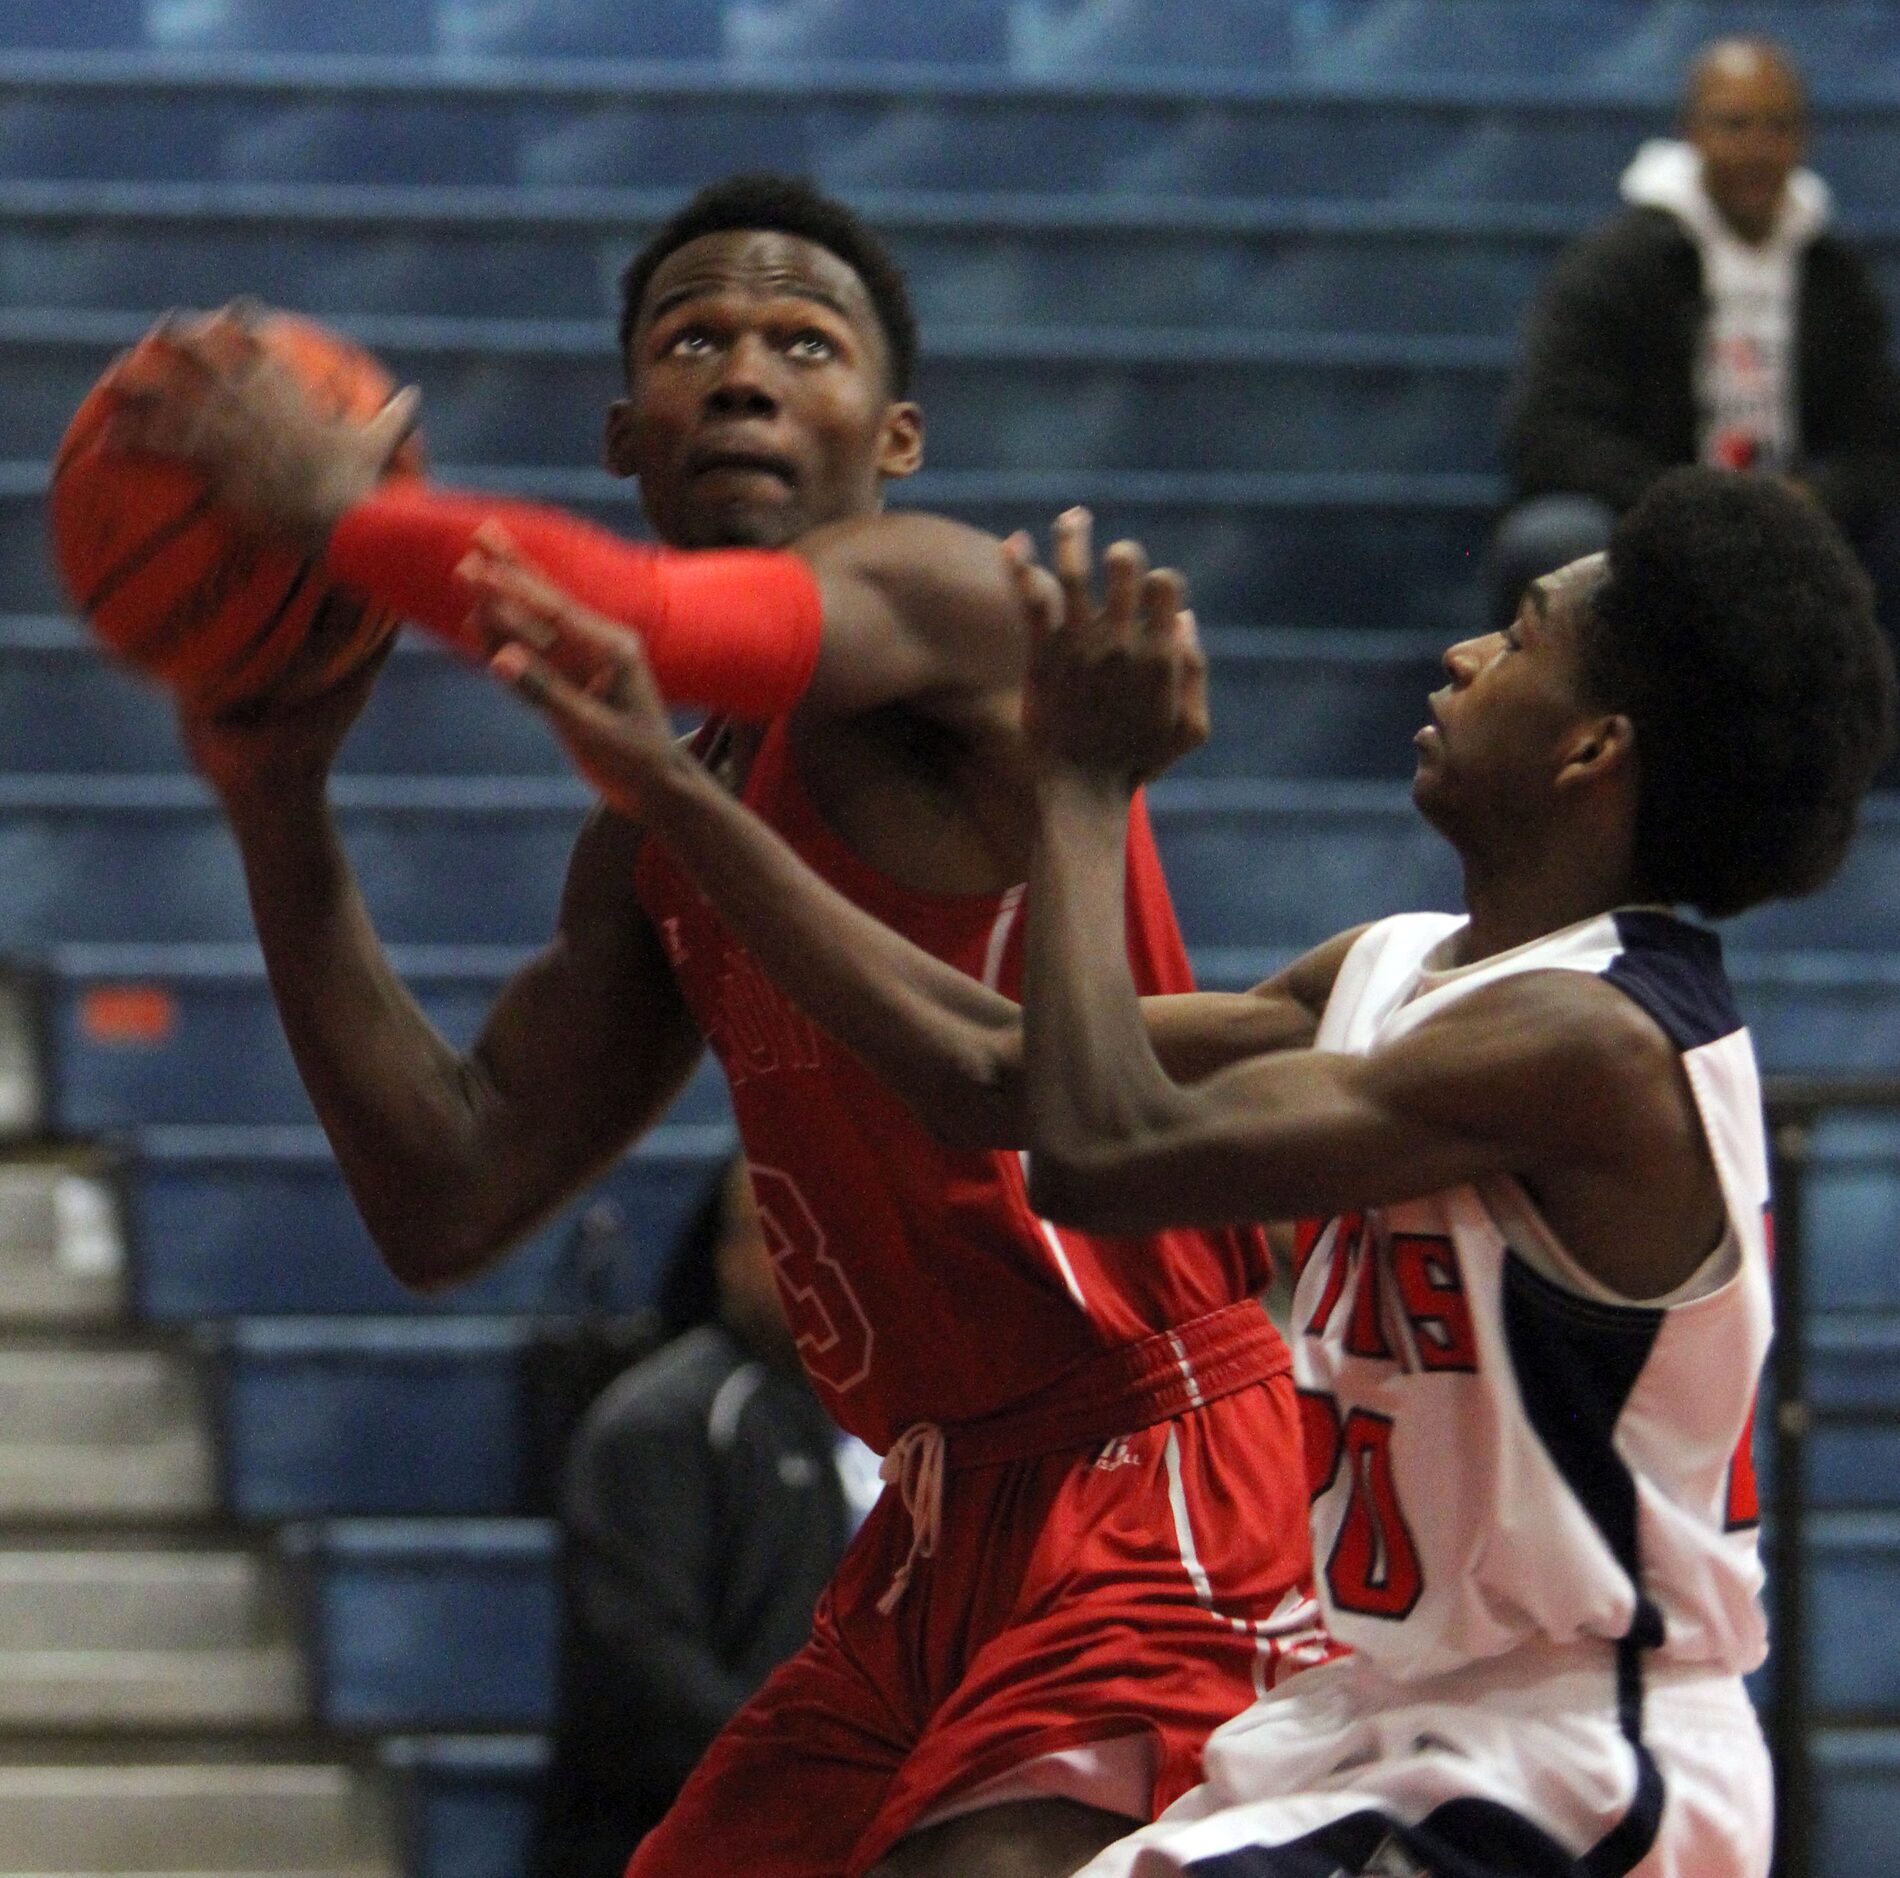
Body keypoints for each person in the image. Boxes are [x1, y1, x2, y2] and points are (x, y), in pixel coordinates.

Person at [114, 174, 1329, 1878]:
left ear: (893, 435)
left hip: (1160, 1457)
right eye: (696, 341)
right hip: (936, 1516)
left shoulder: (953, 602)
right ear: (625, 433)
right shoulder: (662, 818)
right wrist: (276, 802)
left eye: (802, 343)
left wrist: (345, 514)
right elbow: (447, 1193)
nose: (746, 373)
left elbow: (659, 620)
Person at [461, 465, 1893, 1877]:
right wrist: (684, 800)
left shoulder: (1596, 1038)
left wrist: (1079, 785)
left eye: (1517, 638)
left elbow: (1099, 1150)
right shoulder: (1401, 970)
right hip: (1383, 1717)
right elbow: (985, 1071)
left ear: (1594, 753)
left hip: (1572, 1765)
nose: (1463, 654)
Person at [533, 1155, 878, 1878]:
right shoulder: (661, 1424)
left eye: (834, 1232)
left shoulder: (908, 1414)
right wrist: (816, 1783)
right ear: (727, 1255)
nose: (811, 1259)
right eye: (780, 1233)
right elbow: (648, 1676)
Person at [1491, 36, 1900, 630]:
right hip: (1647, 524)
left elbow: (1877, 442)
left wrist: (1811, 501)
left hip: (1803, 531)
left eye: (1779, 126)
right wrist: (1693, 506)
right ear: (1690, 132)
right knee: (1553, 539)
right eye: (1735, 125)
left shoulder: (1834, 278)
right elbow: (1550, 436)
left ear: (1805, 137)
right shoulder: (1614, 265)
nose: (1759, 149)